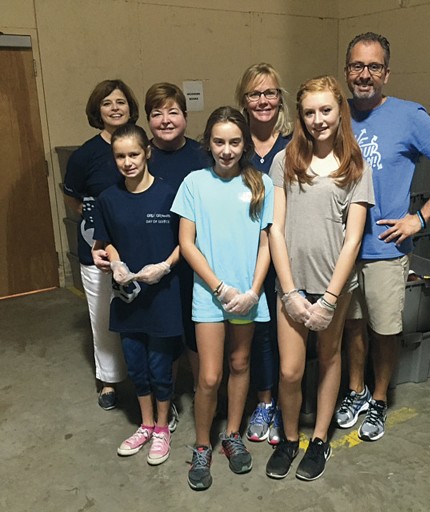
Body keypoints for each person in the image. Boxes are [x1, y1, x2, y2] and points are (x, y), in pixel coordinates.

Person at [337, 32, 430, 442]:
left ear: (387, 74)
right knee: (352, 326)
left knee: (385, 328)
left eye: (374, 67)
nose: (365, 75)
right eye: (357, 66)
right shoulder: (334, 114)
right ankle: (355, 391)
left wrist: (419, 218)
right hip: (341, 249)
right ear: (347, 72)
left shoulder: (409, 116)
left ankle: (378, 397)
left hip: (384, 246)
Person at [265, 75, 374, 481]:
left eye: (325, 110)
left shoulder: (354, 166)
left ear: (339, 111)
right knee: (291, 371)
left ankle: (320, 440)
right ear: (300, 116)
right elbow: (276, 228)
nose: (318, 119)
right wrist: (290, 292)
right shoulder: (284, 161)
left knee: (329, 360)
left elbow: (353, 238)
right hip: (291, 285)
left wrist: (329, 299)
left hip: (335, 287)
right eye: (309, 112)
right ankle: (290, 439)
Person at [172, 106, 274, 491]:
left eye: (234, 142)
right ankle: (202, 446)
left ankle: (232, 434)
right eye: (219, 142)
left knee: (240, 362)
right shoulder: (194, 183)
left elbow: (267, 242)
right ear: (208, 143)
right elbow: (186, 243)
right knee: (210, 376)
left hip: (247, 297)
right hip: (210, 297)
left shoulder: (262, 184)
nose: (227, 150)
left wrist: (252, 291)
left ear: (245, 143)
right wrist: (220, 288)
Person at [93, 124, 183, 466]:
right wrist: (114, 262)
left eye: (134, 154)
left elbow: (185, 242)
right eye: (120, 156)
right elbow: (107, 240)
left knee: (161, 366)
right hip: (128, 298)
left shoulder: (169, 194)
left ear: (147, 152)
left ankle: (162, 427)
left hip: (163, 297)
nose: (128, 162)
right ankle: (145, 424)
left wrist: (165, 265)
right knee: (136, 365)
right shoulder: (108, 199)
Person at [63, 79, 138, 410]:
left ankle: (145, 381)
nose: (115, 108)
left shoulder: (141, 143)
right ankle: (109, 381)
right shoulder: (86, 155)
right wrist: (98, 224)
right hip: (98, 250)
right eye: (108, 103)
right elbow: (72, 196)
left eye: (121, 102)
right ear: (98, 111)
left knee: (140, 317)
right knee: (103, 317)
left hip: (140, 247)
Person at [144, 82, 210, 419]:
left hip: (195, 260)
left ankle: (202, 395)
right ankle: (165, 402)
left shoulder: (202, 155)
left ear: (185, 115)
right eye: (157, 113)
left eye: (173, 112)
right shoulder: (144, 157)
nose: (166, 120)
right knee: (163, 337)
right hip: (155, 260)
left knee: (195, 331)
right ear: (148, 120)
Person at [235, 63, 293, 445]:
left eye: (269, 92)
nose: (263, 101)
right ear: (243, 101)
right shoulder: (233, 144)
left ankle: (277, 403)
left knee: (276, 332)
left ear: (280, 98)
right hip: (245, 254)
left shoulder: (294, 144)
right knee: (251, 333)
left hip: (286, 252)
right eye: (255, 94)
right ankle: (260, 401)